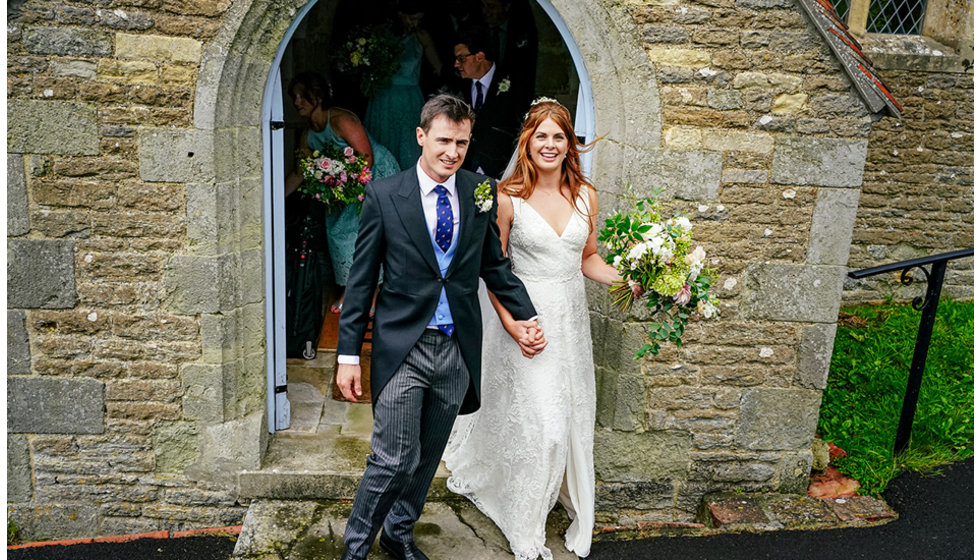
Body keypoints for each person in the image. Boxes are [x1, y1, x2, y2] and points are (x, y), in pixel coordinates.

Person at [335, 93, 546, 560]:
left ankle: (399, 534)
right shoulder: (385, 195)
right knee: (392, 458)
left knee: (428, 457)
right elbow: (362, 278)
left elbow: (496, 266)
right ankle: (354, 550)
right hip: (402, 348)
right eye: (444, 141)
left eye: (462, 143)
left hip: (455, 350)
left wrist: (528, 317)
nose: (453, 152)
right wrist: (348, 356)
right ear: (421, 137)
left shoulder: (479, 192)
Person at [444, 99, 640, 560]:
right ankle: (525, 523)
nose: (550, 144)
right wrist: (514, 326)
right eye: (541, 136)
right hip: (525, 319)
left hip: (569, 322)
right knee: (543, 426)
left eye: (558, 136)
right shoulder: (506, 198)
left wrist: (633, 278)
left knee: (565, 419)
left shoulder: (586, 195)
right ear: (527, 142)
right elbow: (493, 269)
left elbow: (587, 258)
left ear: (569, 143)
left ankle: (557, 499)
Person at [284, 71, 400, 312]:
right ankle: (352, 288)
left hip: (375, 177)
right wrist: (275, 200)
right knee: (339, 234)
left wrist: (341, 186)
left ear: (316, 97)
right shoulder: (307, 134)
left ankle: (373, 293)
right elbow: (300, 172)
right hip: (342, 188)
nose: (296, 102)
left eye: (301, 96)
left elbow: (366, 158)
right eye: (294, 97)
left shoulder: (340, 120)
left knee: (368, 233)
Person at [364, 0, 443, 171]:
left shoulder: (421, 36)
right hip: (384, 98)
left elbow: (438, 67)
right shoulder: (381, 33)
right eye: (411, 18)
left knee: (410, 149)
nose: (414, 23)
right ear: (401, 15)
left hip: (410, 99)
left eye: (418, 20)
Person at [453, 28, 528, 179]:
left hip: (500, 170)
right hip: (464, 168)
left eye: (461, 58)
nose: (456, 64)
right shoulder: (457, 85)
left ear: (479, 57)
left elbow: (520, 127)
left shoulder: (514, 83)